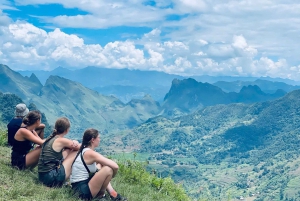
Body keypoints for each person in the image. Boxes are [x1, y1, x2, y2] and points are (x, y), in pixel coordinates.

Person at [70, 128, 127, 201]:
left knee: (101, 165)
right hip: (82, 192)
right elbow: (115, 167)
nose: (99, 139)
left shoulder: (84, 150)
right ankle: (101, 196)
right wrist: (111, 176)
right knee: (108, 169)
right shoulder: (90, 153)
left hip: (77, 188)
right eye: (98, 137)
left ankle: (113, 194)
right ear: (93, 140)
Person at [38, 117, 80, 187]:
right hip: (51, 178)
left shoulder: (52, 138)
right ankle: (74, 180)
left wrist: (73, 143)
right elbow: (80, 147)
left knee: (69, 149)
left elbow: (69, 146)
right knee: (75, 151)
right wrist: (76, 142)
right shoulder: (61, 140)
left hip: (43, 177)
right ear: (67, 130)